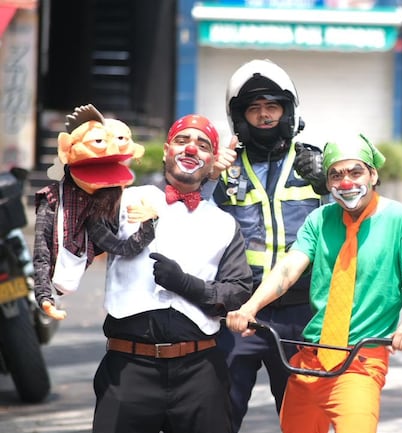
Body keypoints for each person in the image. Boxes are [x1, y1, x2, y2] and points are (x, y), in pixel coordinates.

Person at [226, 134, 402, 433]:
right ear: (327, 184)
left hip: (361, 361)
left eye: (356, 172)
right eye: (336, 175)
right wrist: (250, 307)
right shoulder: (319, 219)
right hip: (309, 358)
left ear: (373, 174)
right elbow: (289, 268)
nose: (346, 182)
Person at [91, 114, 253, 433]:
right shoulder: (124, 200)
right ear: (166, 151)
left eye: (202, 145)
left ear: (211, 164)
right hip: (127, 370)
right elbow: (81, 237)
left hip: (200, 372)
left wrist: (187, 285)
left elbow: (237, 291)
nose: (191, 148)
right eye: (182, 140)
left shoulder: (224, 223)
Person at [205, 58, 324, 432]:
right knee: (220, 412)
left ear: (288, 110)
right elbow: (188, 215)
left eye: (272, 106)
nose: (265, 115)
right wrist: (210, 174)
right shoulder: (225, 169)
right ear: (240, 118)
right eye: (254, 109)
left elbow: (363, 209)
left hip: (301, 311)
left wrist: (328, 182)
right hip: (239, 312)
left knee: (303, 418)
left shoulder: (316, 161)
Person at [33, 104, 152, 320]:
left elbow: (122, 247)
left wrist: (148, 222)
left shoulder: (104, 204)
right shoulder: (53, 200)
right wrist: (44, 297)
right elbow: (42, 251)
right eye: (98, 142)